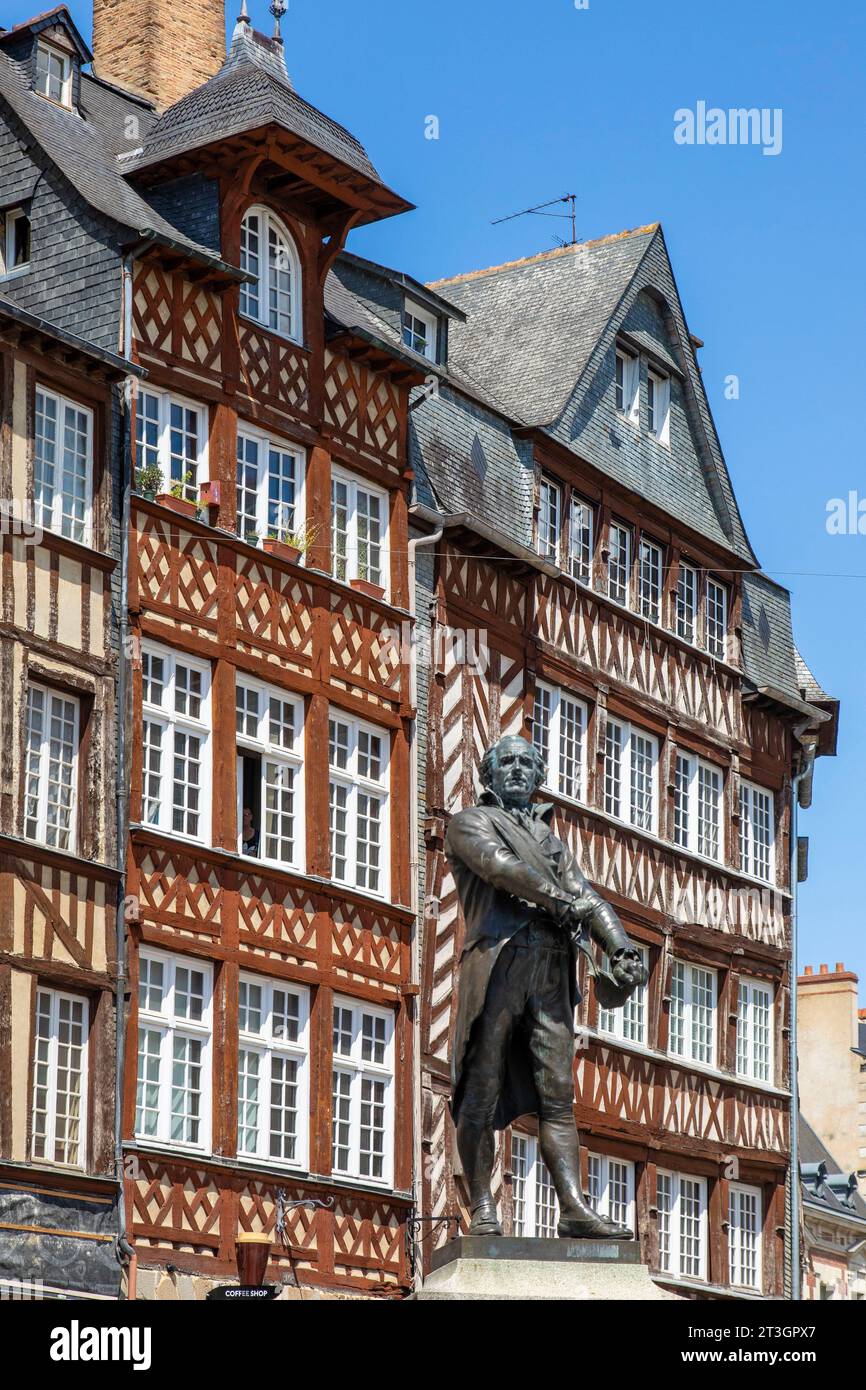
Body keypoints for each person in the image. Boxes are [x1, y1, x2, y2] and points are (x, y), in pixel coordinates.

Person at [445, 734, 648, 1238]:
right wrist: (561, 901)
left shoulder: (550, 841)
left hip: (551, 969)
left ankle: (573, 1207)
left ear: (538, 777)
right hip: (498, 964)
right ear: (488, 775)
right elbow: (500, 868)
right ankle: (483, 1206)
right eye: (505, 762)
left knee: (558, 1094)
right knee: (482, 1088)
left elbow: (588, 895)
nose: (516, 770)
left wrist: (620, 947)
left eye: (525, 764)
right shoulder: (470, 822)